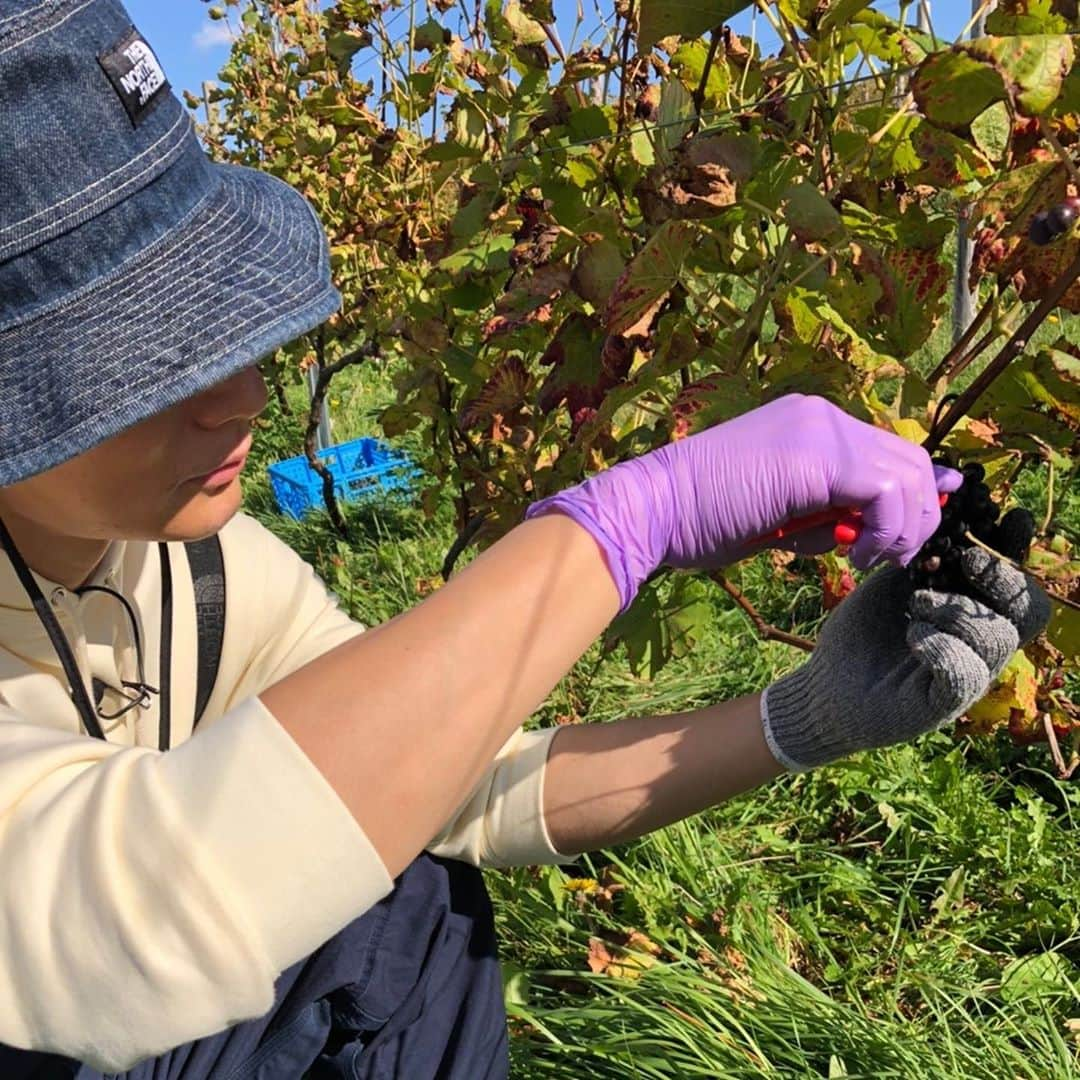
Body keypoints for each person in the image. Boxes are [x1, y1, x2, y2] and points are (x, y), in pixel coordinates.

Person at [0, 1, 1050, 1077]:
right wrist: (627, 523)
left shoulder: (205, 572)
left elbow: (450, 784)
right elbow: (118, 933)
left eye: (224, 322)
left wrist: (798, 721)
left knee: (398, 888)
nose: (239, 392)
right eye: (140, 360)